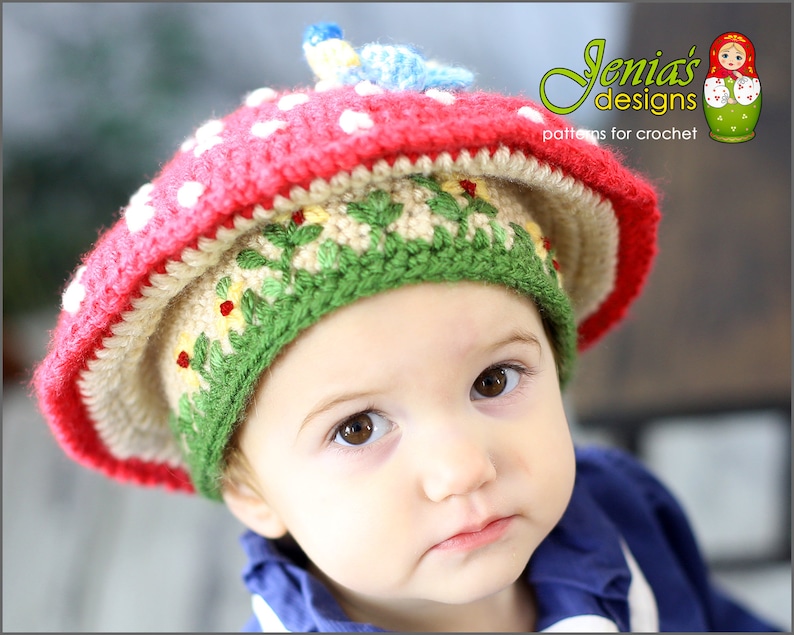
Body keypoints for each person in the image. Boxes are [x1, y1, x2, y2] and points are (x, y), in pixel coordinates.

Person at [34, 23, 778, 631]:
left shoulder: (622, 511)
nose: (463, 468)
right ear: (250, 488)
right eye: (358, 428)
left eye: (494, 380)